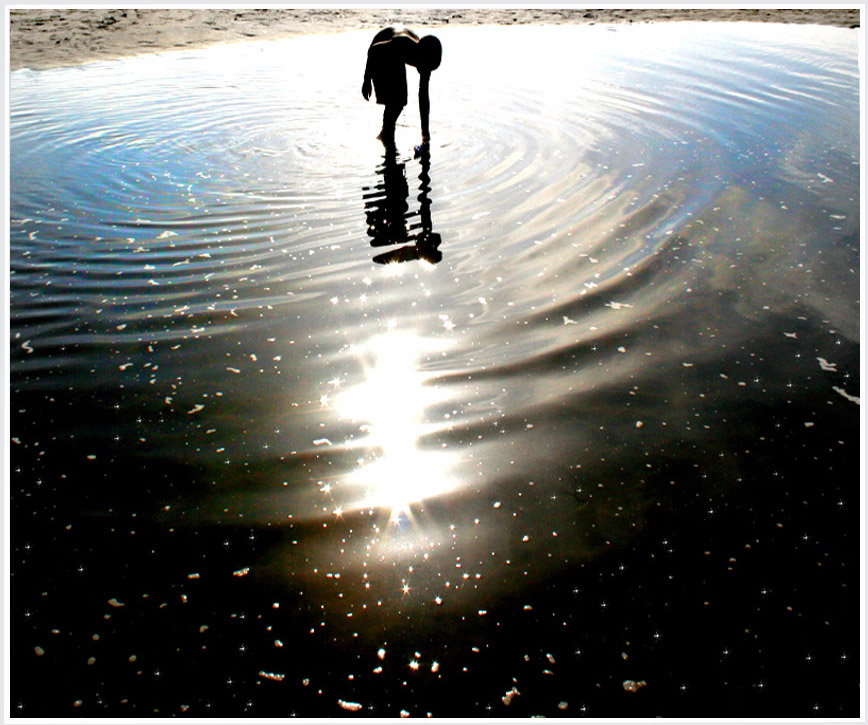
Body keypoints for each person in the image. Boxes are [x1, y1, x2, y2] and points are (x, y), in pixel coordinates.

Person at [362, 26, 442, 147]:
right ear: (420, 53)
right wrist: (366, 80)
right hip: (379, 52)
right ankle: (386, 135)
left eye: (429, 69)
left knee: (399, 101)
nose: (425, 71)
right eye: (425, 66)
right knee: (396, 101)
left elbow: (423, 97)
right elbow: (374, 50)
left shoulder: (425, 60)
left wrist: (425, 134)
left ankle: (387, 135)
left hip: (395, 56)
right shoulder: (404, 45)